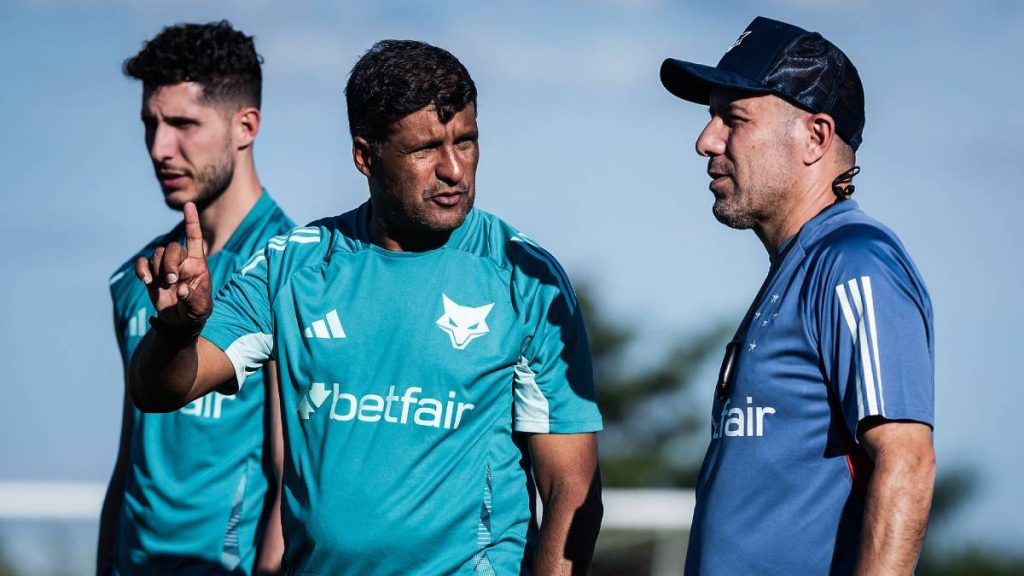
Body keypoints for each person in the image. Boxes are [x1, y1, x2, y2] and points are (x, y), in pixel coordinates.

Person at [127, 39, 604, 575]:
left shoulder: (525, 277)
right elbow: (161, 390)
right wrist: (175, 332)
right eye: (425, 149)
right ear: (364, 155)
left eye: (466, 141)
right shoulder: (293, 267)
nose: (453, 168)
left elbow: (571, 488)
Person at [659, 17, 935, 575]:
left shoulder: (855, 262)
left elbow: (907, 463)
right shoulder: (798, 268)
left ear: (815, 137)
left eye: (733, 118)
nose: (706, 140)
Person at [98, 21, 294, 575]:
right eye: (150, 124)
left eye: (183, 124)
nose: (161, 148)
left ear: (245, 126)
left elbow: (290, 476)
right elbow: (129, 461)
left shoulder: (293, 272)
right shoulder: (135, 279)